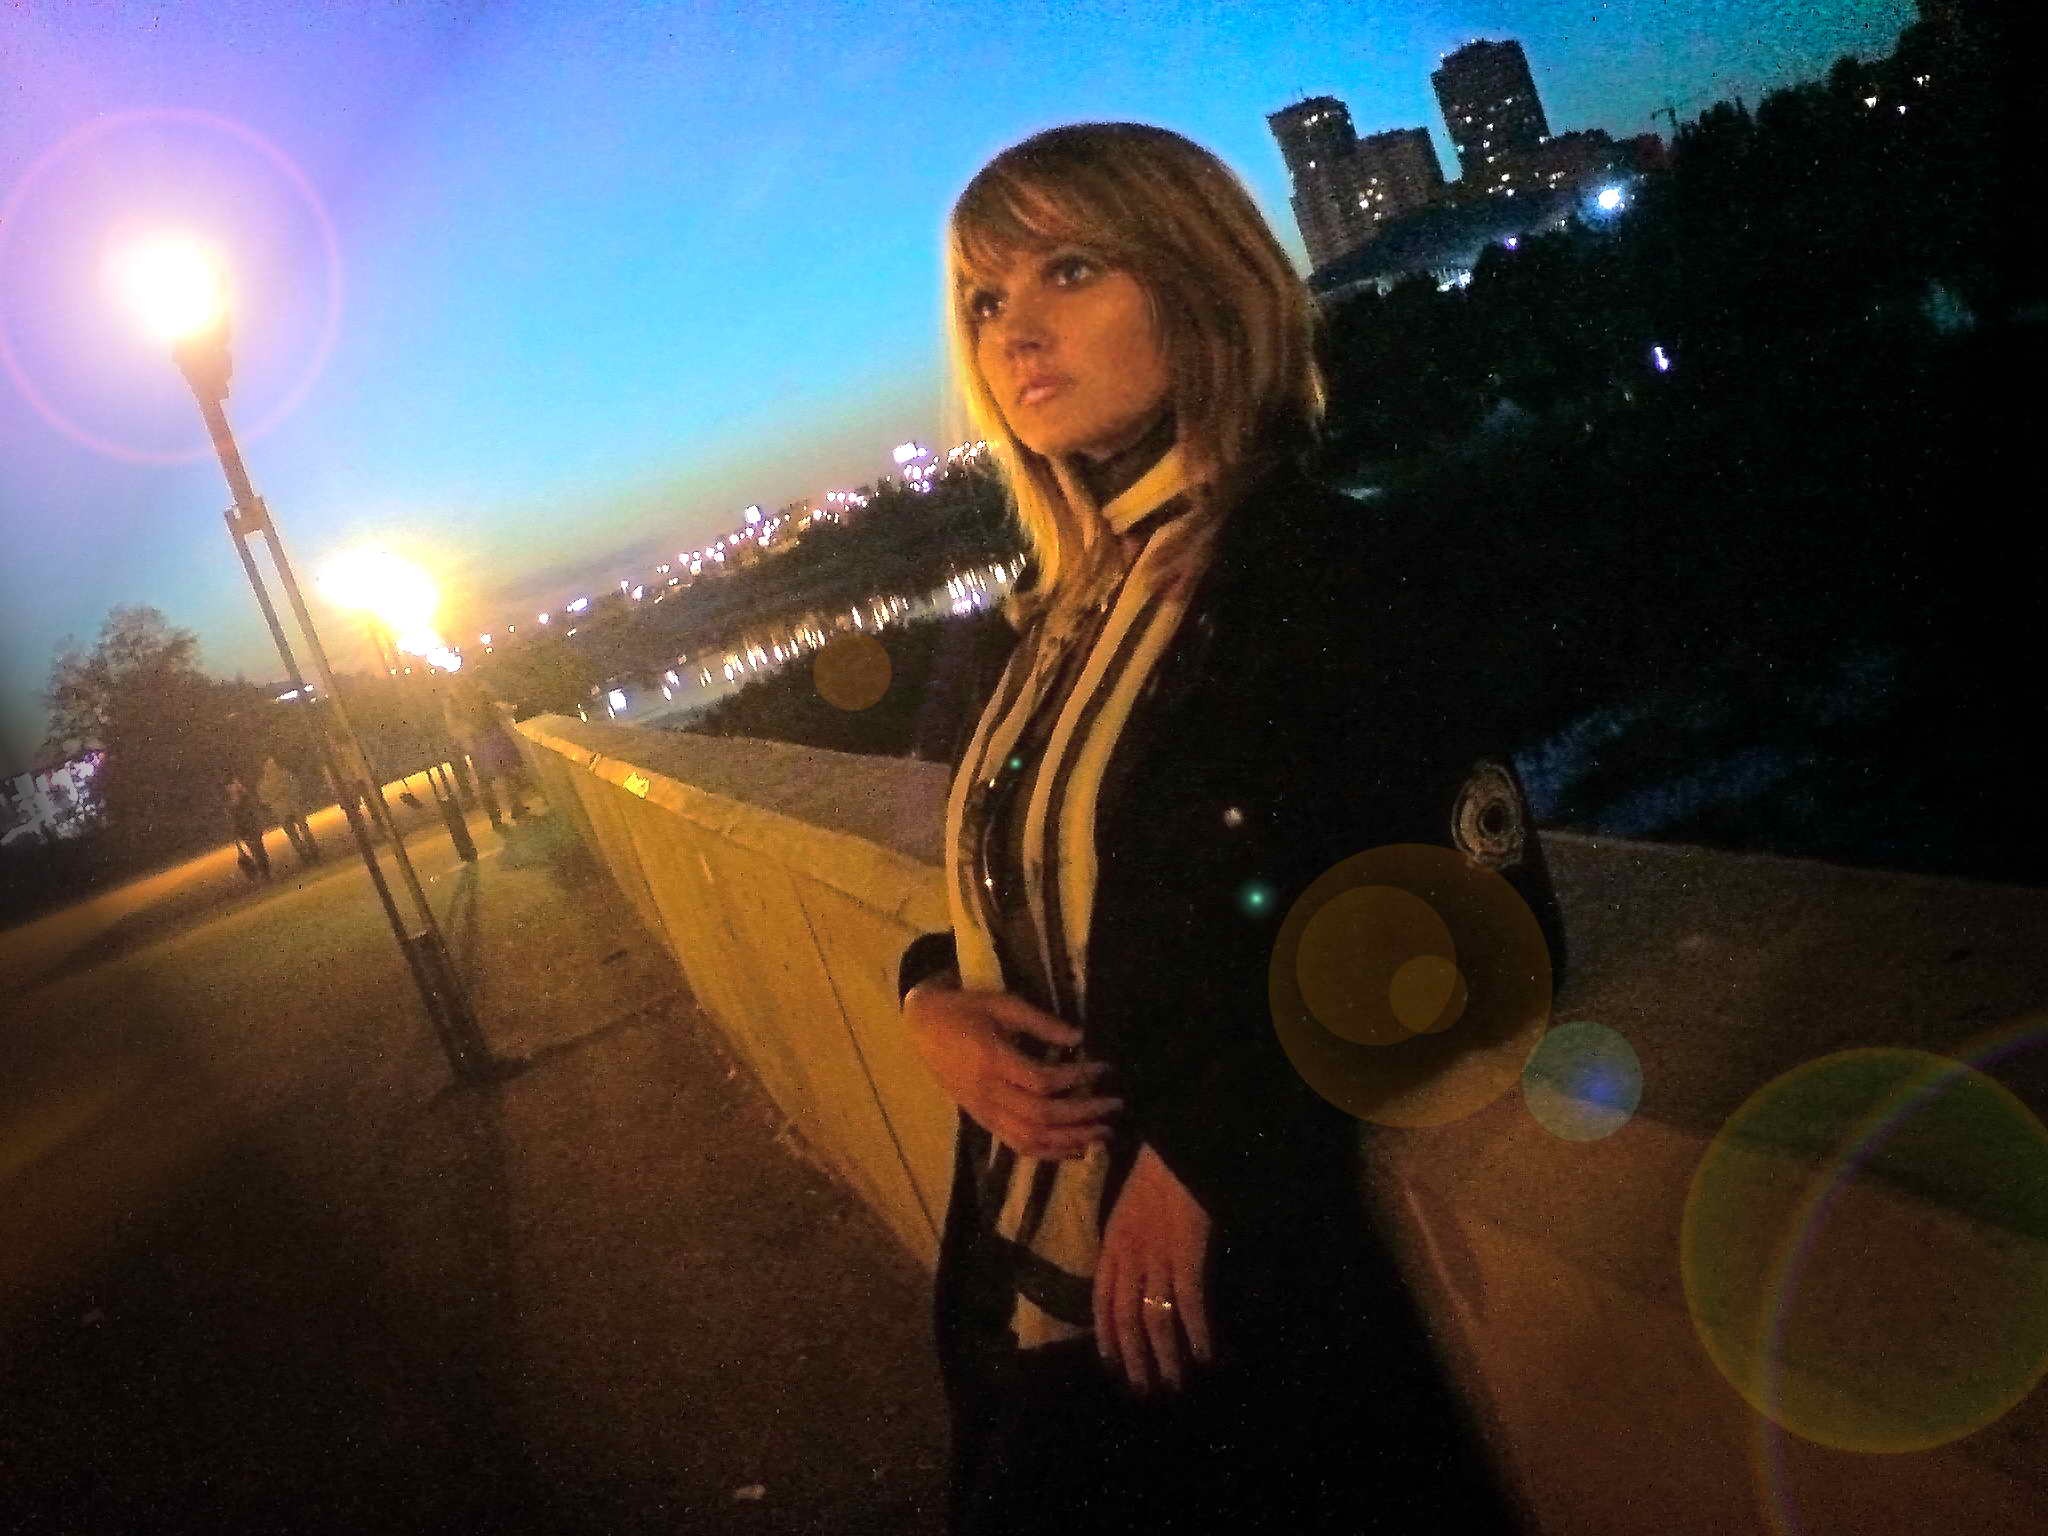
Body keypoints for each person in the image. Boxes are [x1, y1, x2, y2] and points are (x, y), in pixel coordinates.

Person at [893, 123, 1570, 1535]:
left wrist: (1215, 1148)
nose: (1013, 330)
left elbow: (1484, 930)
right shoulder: (1047, 622)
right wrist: (930, 1003)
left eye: (1067, 270)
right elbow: (1045, 907)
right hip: (1016, 1311)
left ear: (1199, 280)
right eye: (984, 298)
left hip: (1218, 1344)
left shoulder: (1321, 573)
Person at [258, 753, 320, 867]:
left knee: (304, 830)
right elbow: (264, 800)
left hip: (293, 807)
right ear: (264, 768)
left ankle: (314, 851)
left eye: (273, 764)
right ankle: (304, 855)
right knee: (293, 835)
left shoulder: (285, 774)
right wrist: (278, 796)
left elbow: (296, 786)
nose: (272, 767)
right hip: (282, 812)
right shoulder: (263, 785)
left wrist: (293, 797)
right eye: (269, 765)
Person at [224, 770, 272, 883]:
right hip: (245, 830)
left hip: (250, 828)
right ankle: (265, 873)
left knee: (258, 850)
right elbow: (234, 821)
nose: (236, 785)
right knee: (257, 850)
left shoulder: (242, 798)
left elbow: (251, 811)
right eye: (233, 783)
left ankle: (265, 873)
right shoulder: (233, 803)